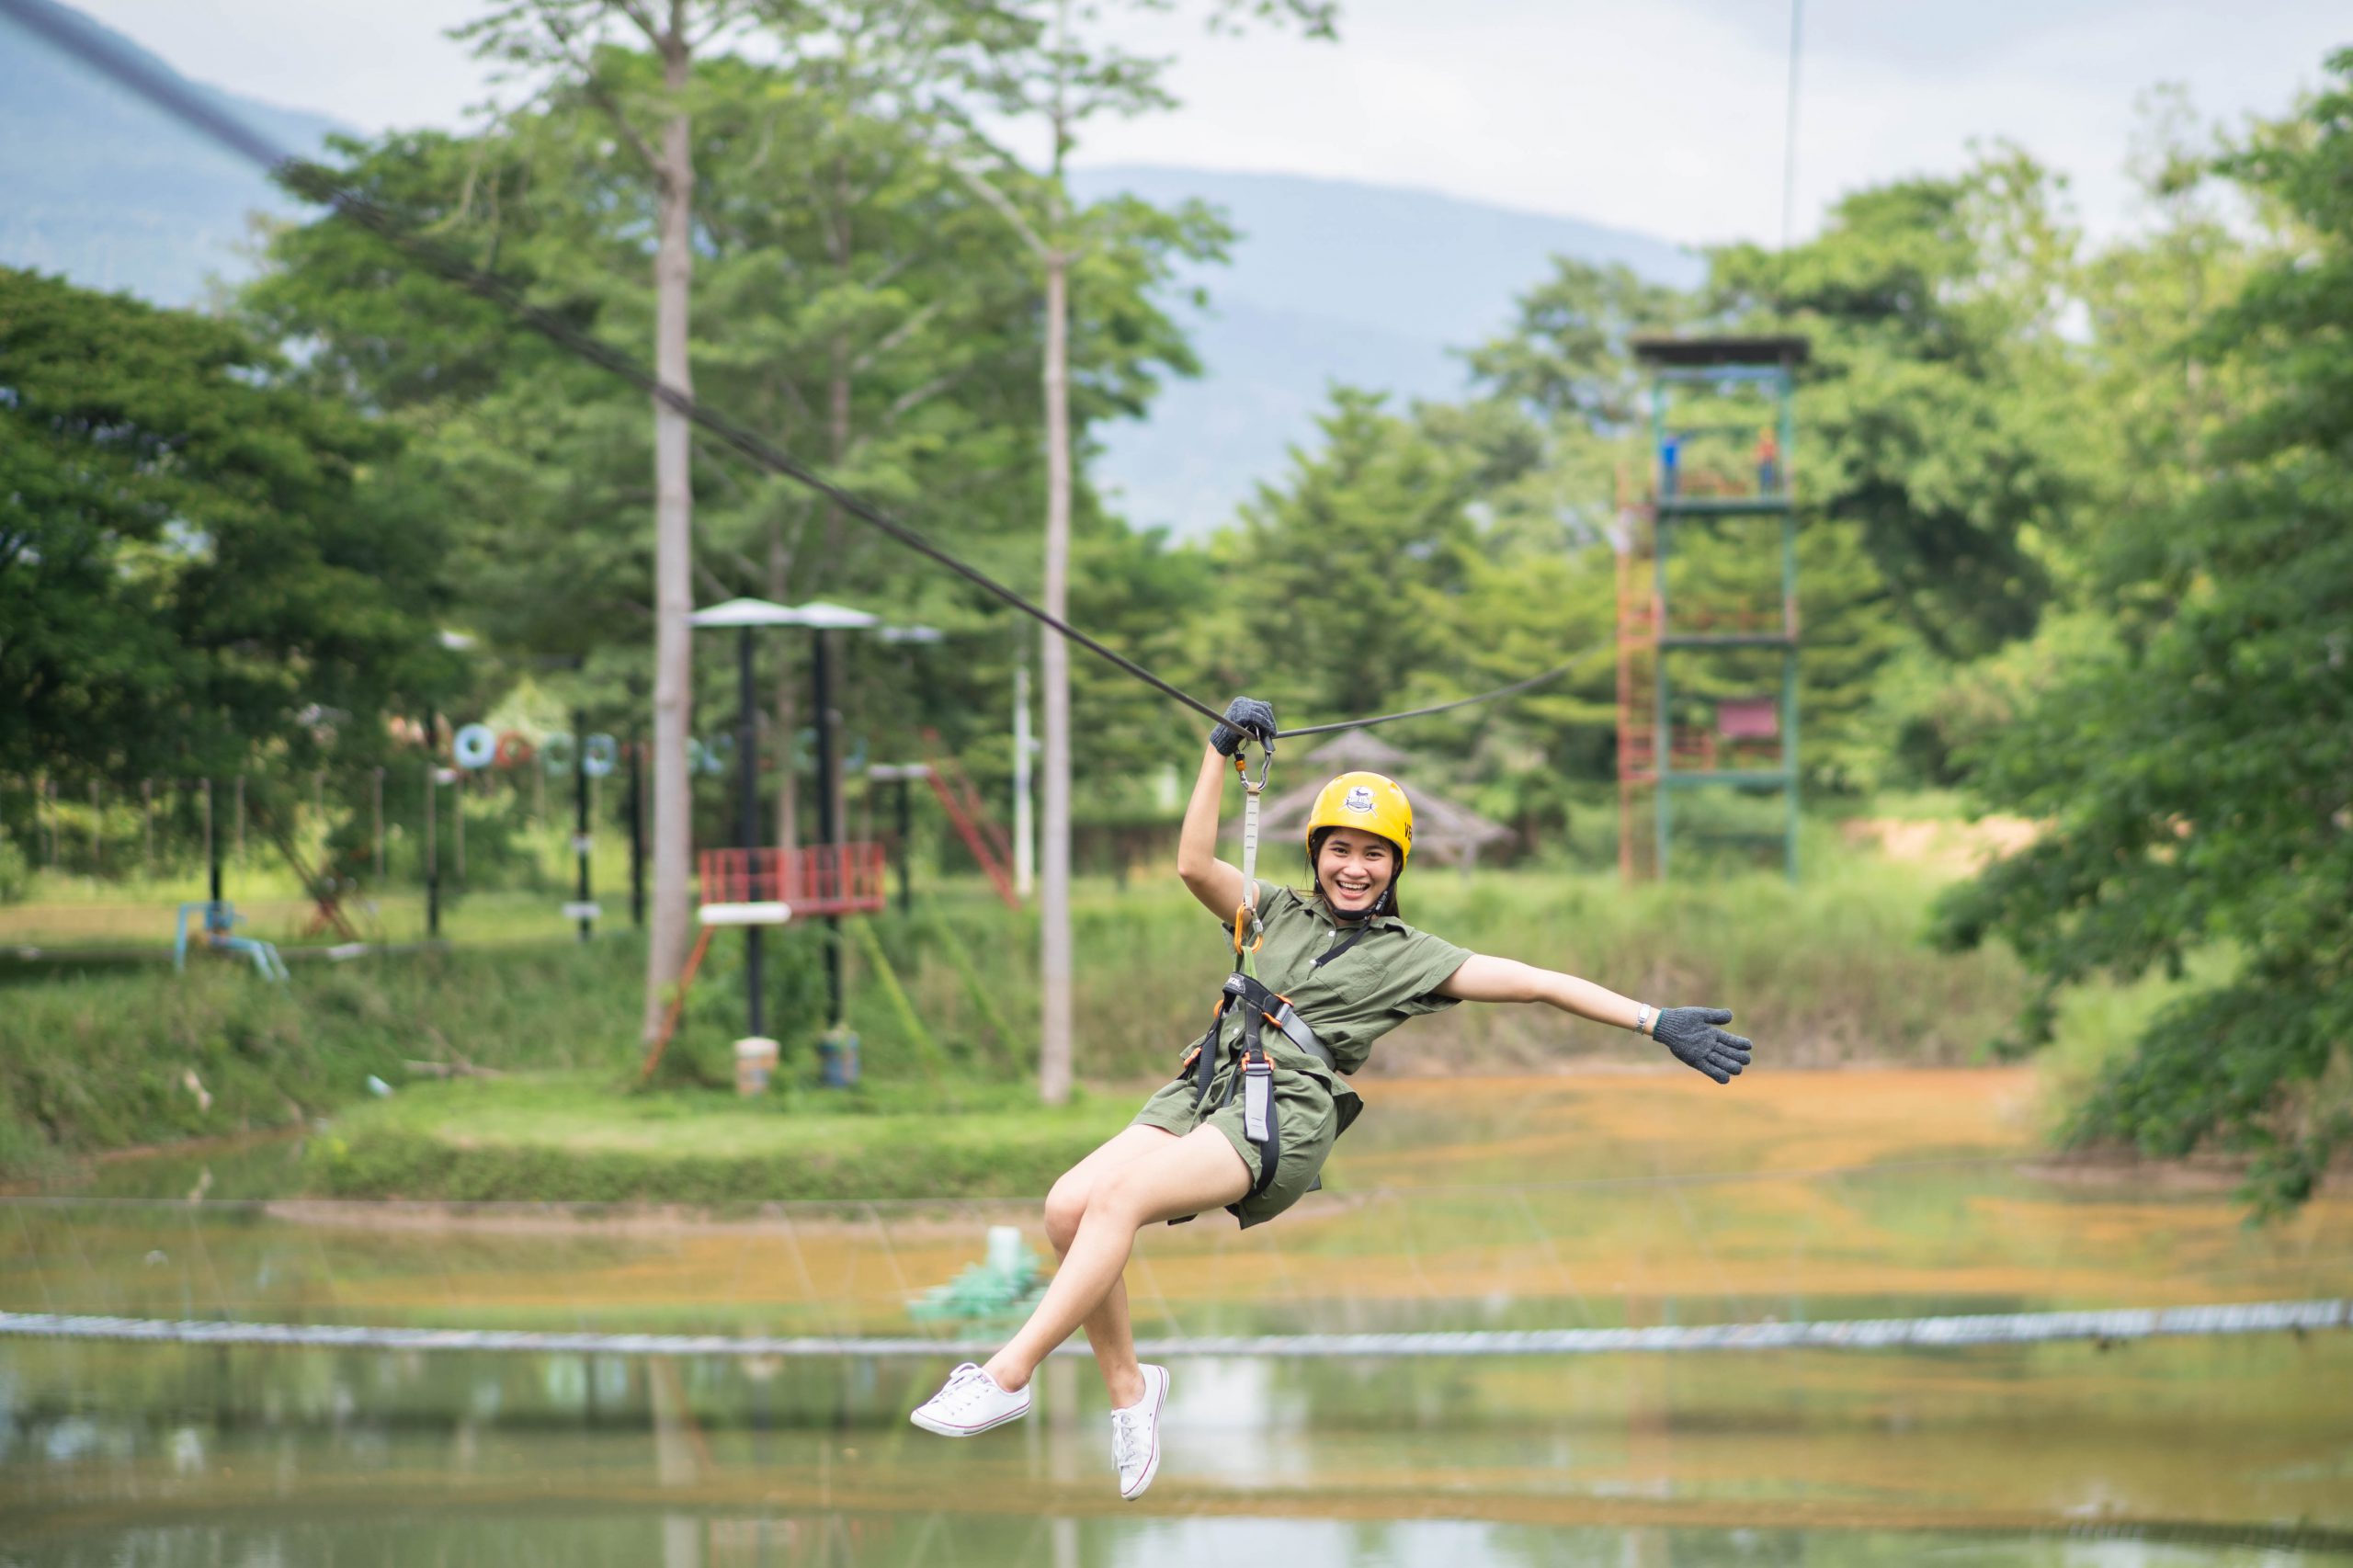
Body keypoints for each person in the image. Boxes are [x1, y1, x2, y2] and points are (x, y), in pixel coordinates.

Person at [909, 698, 1754, 1498]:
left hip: (1281, 1115)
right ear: (1316, 855)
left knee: (1121, 1200)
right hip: (1207, 1084)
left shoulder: (1412, 956)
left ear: (1395, 868)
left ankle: (1006, 1375)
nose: (1355, 868)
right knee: (1066, 1209)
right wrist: (1219, 750)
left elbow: (1537, 982)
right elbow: (1190, 863)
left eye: (1374, 854)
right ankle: (1132, 1391)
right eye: (1340, 850)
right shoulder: (1273, 912)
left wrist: (1654, 1021)